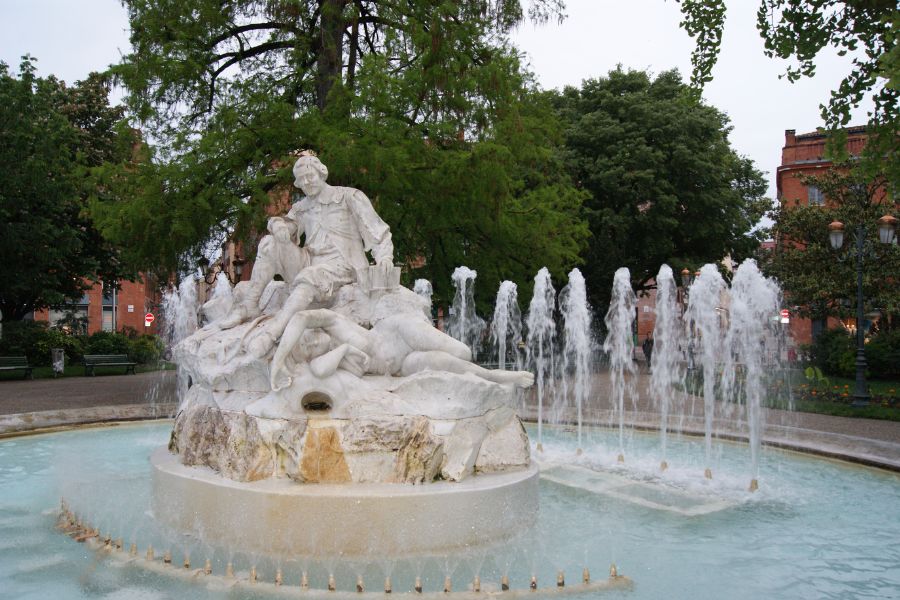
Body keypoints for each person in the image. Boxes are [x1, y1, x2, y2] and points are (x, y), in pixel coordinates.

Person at [218, 154, 394, 351]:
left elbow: (377, 231)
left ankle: (272, 333)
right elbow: (287, 224)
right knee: (269, 243)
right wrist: (277, 226)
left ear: (322, 173)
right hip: (310, 261)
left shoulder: (348, 196)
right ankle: (249, 305)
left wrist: (385, 256)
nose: (306, 182)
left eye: (309, 176)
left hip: (343, 264)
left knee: (310, 275)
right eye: (301, 180)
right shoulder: (301, 207)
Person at [269, 308, 535, 392]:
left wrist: (277, 361)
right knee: (452, 364)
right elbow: (319, 369)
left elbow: (301, 316)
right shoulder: (331, 357)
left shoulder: (332, 322)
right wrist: (344, 349)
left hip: (397, 332)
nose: (313, 343)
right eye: (307, 347)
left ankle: (497, 375)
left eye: (309, 337)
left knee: (462, 351)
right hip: (400, 366)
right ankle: (497, 376)